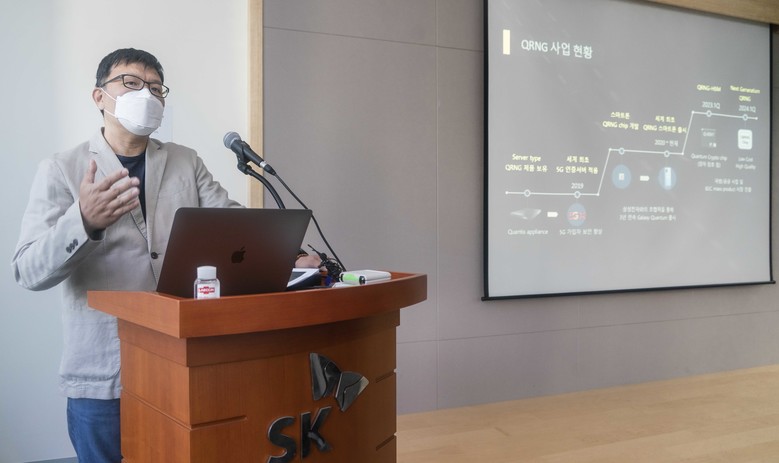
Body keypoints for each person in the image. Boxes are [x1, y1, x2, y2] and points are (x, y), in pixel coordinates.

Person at [12, 48, 319, 462]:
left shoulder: (184, 161)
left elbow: (232, 222)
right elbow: (28, 270)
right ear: (99, 96)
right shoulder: (61, 168)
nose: (147, 94)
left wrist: (288, 254)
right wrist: (83, 221)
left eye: (156, 88)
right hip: (105, 373)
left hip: (184, 361)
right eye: (131, 83)